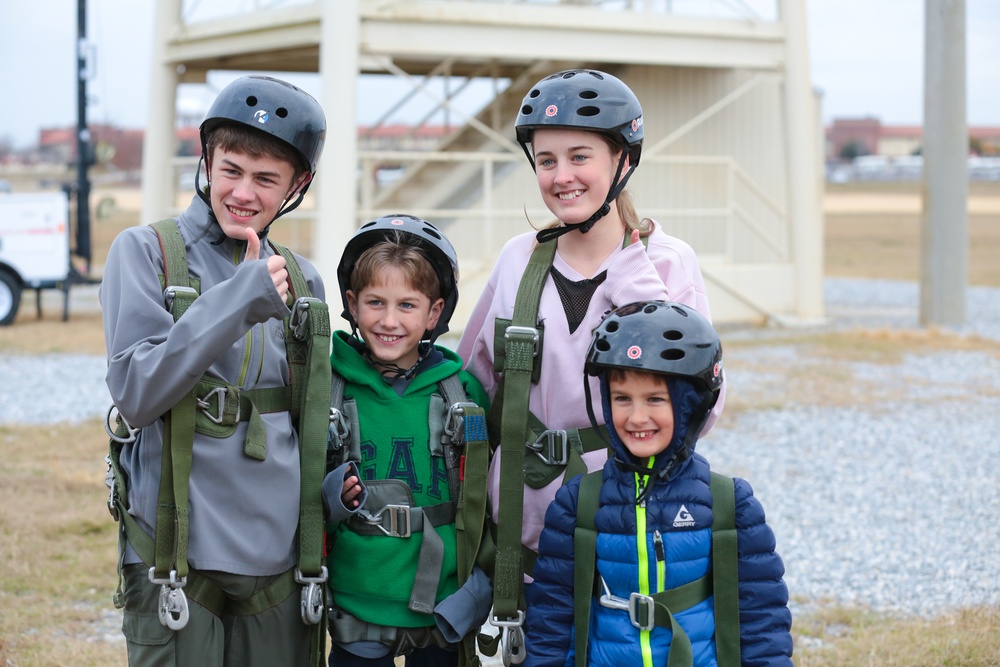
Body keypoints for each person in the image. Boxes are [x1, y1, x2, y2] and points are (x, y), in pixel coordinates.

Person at [455, 68, 725, 654]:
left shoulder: (671, 263)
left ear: (621, 161)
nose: (562, 176)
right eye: (546, 160)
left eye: (580, 156)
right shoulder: (517, 260)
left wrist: (638, 291)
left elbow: (704, 405)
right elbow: (470, 384)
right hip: (519, 541)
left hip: (625, 536)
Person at [101, 75, 331, 666]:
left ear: (298, 185)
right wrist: (237, 302)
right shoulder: (146, 251)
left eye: (266, 179)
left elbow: (316, 416)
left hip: (279, 557)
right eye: (230, 169)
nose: (243, 193)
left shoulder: (304, 279)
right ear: (205, 159)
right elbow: (136, 391)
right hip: (176, 548)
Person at [525, 300, 792, 666]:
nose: (637, 417)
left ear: (690, 406)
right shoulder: (578, 503)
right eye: (622, 399)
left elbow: (763, 625)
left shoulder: (729, 504)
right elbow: (551, 623)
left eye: (655, 399)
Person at [321, 215, 493, 667]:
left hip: (443, 605)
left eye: (407, 305)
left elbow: (481, 488)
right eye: (375, 302)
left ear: (435, 312)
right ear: (352, 305)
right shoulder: (329, 390)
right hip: (356, 600)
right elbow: (301, 485)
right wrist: (333, 496)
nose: (389, 321)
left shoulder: (461, 394)